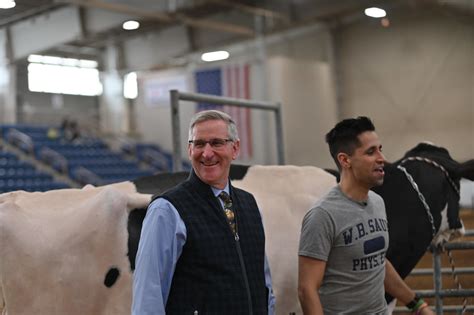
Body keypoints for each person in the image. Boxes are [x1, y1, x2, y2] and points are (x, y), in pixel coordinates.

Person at [132, 110, 275, 315]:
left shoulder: (249, 204)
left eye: (216, 143)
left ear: (234, 148)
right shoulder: (167, 210)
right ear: (190, 150)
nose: (207, 153)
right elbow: (148, 296)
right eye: (199, 144)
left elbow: (265, 283)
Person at [298, 116, 434, 315]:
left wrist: (417, 305)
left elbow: (379, 263)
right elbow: (306, 289)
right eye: (371, 152)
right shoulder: (322, 215)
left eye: (380, 149)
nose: (382, 158)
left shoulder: (377, 203)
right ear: (345, 160)